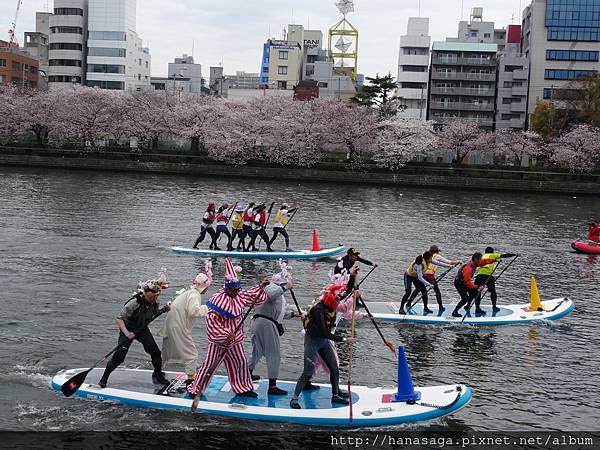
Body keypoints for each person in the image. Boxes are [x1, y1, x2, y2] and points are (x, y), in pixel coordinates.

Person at [187, 258, 269, 399]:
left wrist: (261, 287)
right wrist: (225, 334)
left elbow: (251, 296)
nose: (237, 292)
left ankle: (243, 388)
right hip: (219, 342)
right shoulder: (217, 301)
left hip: (235, 340)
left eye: (238, 289)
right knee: (209, 366)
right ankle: (196, 388)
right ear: (228, 288)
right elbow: (211, 323)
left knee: (240, 362)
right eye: (234, 290)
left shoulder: (238, 295)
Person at [289, 278, 357, 409]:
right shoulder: (318, 310)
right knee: (308, 372)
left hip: (323, 342)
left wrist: (353, 276)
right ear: (331, 299)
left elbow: (348, 291)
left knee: (335, 370)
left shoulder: (332, 306)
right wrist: (344, 339)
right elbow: (325, 333)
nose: (339, 303)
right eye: (337, 300)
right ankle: (294, 399)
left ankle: (335, 395)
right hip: (313, 341)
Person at [98, 271, 171, 388]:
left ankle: (157, 375)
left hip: (142, 329)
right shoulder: (134, 303)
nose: (156, 298)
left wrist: (163, 310)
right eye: (153, 296)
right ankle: (104, 378)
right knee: (119, 356)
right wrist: (127, 333)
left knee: (156, 353)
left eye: (157, 295)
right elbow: (120, 319)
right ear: (147, 294)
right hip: (127, 329)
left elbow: (153, 313)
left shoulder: (155, 302)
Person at [160, 261, 212, 383]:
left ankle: (158, 371)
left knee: (166, 352)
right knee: (191, 354)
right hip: (179, 326)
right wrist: (208, 308)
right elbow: (193, 311)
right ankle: (190, 379)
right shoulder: (194, 295)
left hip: (171, 325)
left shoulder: (188, 292)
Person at [248, 261, 295, 395]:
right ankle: (272, 386)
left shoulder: (280, 297)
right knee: (274, 354)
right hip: (265, 325)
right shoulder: (271, 288)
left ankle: (247, 374)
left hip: (263, 322)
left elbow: (280, 313)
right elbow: (270, 294)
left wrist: (294, 314)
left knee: (257, 352)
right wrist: (285, 287)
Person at [452, 252, 499, 317]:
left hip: (464, 282)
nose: (481, 261)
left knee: (477, 292)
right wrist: (477, 286)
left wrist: (494, 260)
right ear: (476, 260)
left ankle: (477, 309)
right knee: (465, 299)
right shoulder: (468, 268)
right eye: (479, 260)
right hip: (459, 283)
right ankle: (455, 312)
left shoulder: (475, 263)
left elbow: (484, 262)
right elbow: (467, 282)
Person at [474, 247, 517, 313]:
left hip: (479, 275)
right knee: (493, 292)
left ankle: (476, 308)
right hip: (488, 276)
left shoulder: (482, 256)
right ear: (492, 252)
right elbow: (503, 255)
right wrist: (514, 255)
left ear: (485, 252)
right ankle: (494, 307)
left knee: (477, 291)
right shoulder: (492, 255)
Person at [425, 245, 461, 312]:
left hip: (424, 273)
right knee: (437, 291)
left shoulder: (427, 255)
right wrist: (458, 261)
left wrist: (449, 266)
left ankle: (409, 302)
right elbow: (449, 262)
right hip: (430, 274)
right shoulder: (437, 256)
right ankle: (440, 307)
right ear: (436, 251)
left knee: (419, 289)